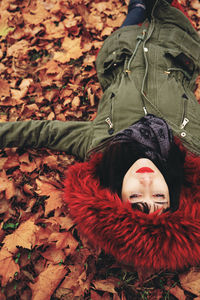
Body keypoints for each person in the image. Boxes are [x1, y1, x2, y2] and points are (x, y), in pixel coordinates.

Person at [1, 0, 200, 271]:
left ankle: (138, 8)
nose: (147, 184)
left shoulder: (102, 147)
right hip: (177, 48)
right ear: (172, 193)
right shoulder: (192, 147)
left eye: (137, 199)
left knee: (139, 10)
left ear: (118, 192)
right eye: (159, 198)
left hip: (123, 50)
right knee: (168, 8)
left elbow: (43, 132)